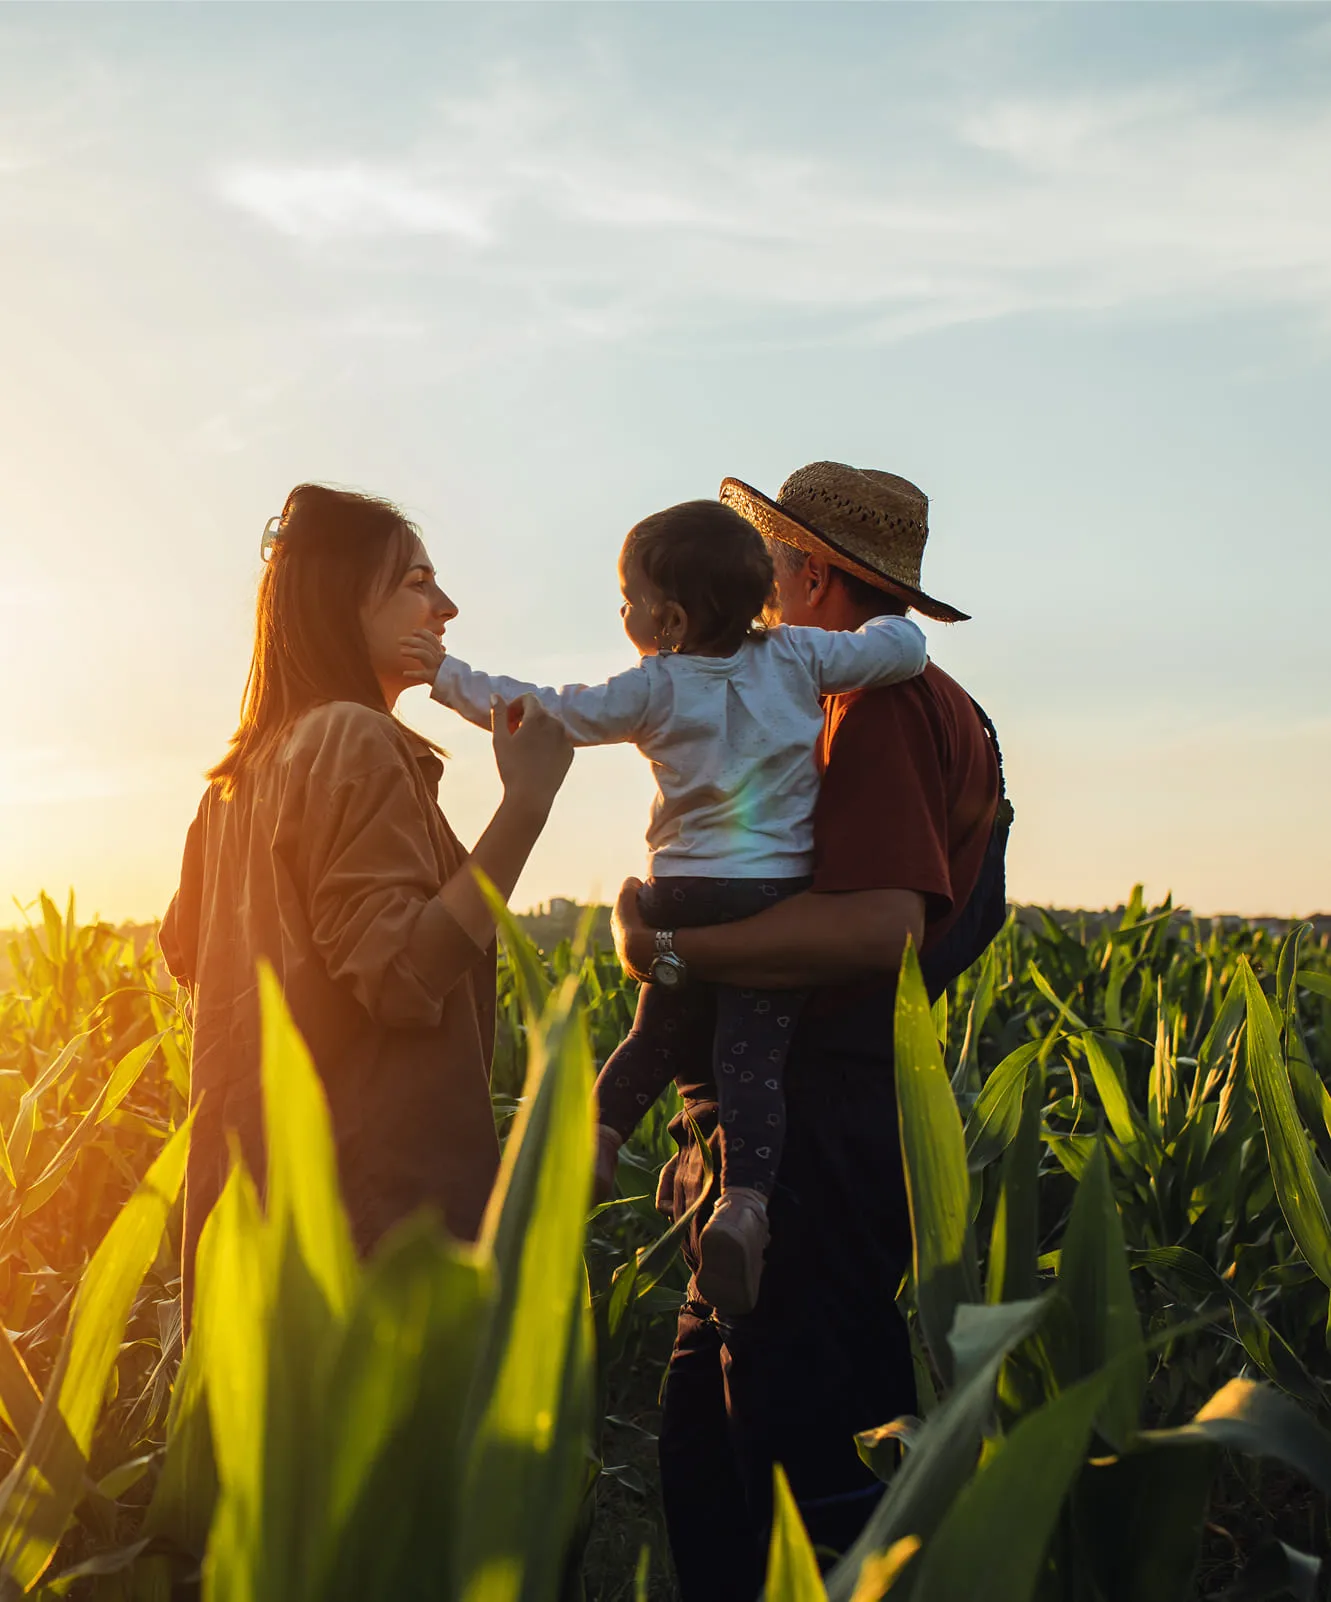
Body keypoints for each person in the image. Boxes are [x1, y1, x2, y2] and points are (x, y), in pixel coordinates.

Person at [611, 463, 1006, 1601]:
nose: (755, 586)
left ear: (813, 575)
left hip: (819, 1139)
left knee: (797, 1472)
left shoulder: (876, 709)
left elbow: (879, 929)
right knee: (708, 1443)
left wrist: (673, 956)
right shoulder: (883, 702)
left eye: (766, 561)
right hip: (780, 1127)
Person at [400, 499, 927, 1316]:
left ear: (669, 619)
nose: (623, 613)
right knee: (752, 1064)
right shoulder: (796, 659)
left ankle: (596, 1141)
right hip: (770, 893)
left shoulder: (652, 685)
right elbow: (901, 648)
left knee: (653, 1035)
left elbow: (538, 710)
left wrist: (440, 675)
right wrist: (881, 633)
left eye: (630, 599)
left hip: (679, 891)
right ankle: (745, 1206)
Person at [160, 483, 573, 1319]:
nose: (446, 608)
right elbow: (403, 971)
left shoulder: (233, 785)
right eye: (418, 583)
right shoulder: (355, 736)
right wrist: (524, 809)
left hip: (253, 1230)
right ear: (344, 599)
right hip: (368, 1238)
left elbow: (182, 950)